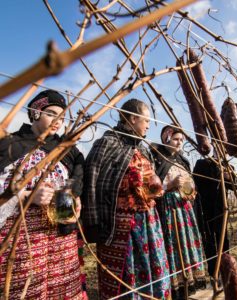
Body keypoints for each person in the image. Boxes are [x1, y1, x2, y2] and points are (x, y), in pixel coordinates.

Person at [82, 99, 171, 299]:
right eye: (146, 120)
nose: (149, 125)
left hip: (149, 221)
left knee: (153, 268)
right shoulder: (106, 143)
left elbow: (152, 181)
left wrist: (155, 190)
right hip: (119, 225)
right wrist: (93, 222)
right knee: (125, 276)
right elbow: (92, 180)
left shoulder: (145, 148)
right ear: (132, 119)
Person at [0, 90, 85, 299]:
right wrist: (27, 195)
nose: (58, 121)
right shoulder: (11, 145)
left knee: (62, 289)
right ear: (35, 113)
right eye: (51, 114)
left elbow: (76, 181)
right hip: (21, 235)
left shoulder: (68, 150)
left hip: (59, 235)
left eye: (62, 117)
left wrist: (73, 199)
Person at [151, 125, 206, 299]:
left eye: (181, 140)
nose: (179, 143)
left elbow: (190, 182)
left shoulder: (183, 160)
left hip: (186, 210)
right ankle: (177, 288)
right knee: (174, 245)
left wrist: (191, 190)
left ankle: (189, 283)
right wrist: (170, 185)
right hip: (170, 210)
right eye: (176, 139)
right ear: (166, 138)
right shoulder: (157, 159)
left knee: (187, 243)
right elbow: (152, 187)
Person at [193, 153, 237, 282]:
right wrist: (218, 174)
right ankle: (214, 273)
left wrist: (229, 177)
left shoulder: (228, 167)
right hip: (205, 209)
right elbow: (196, 183)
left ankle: (226, 269)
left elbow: (235, 187)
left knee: (223, 239)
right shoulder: (202, 163)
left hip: (222, 209)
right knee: (209, 241)